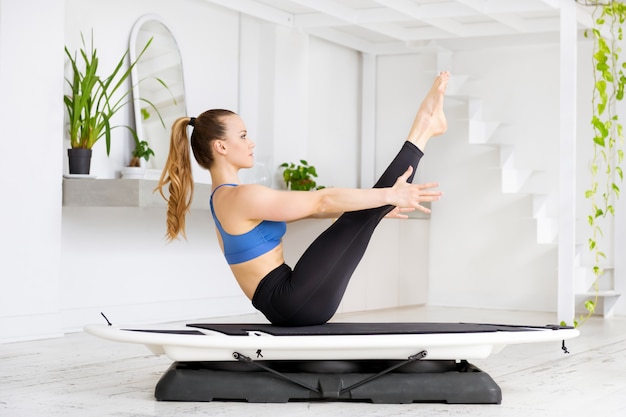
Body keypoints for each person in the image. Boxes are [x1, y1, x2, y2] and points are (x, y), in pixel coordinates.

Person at [156, 71, 449, 326]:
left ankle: (425, 126)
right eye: (243, 136)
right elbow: (321, 201)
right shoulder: (241, 197)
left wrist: (379, 206)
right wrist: (389, 195)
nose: (251, 142)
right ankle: (423, 126)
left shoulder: (223, 198)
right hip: (291, 300)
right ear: (221, 146)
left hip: (287, 303)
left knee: (362, 213)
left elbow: (311, 211)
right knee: (364, 210)